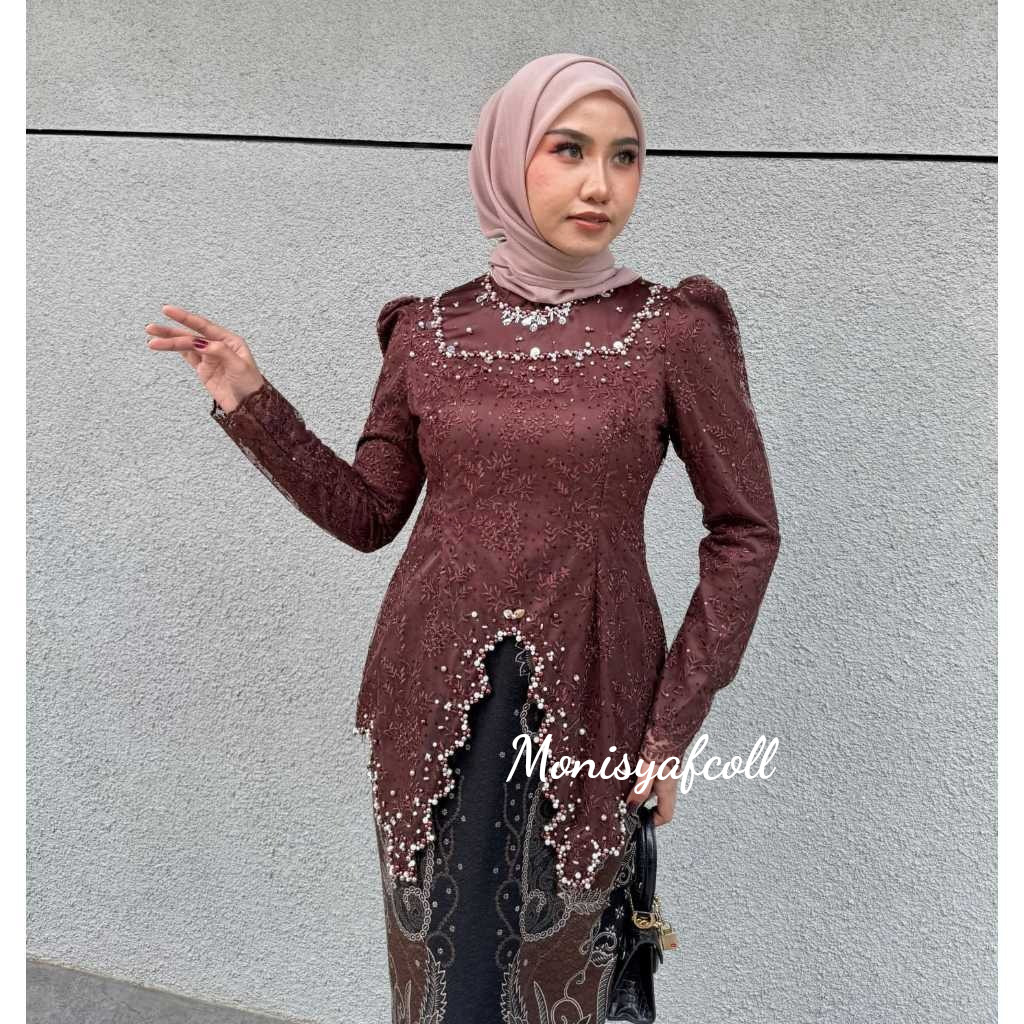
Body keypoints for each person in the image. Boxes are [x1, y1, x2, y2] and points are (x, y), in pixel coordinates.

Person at [145, 52, 781, 1024]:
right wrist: (250, 400)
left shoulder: (671, 332)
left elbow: (744, 530)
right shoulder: (430, 333)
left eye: (624, 156)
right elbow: (369, 513)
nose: (600, 183)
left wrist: (670, 726)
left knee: (574, 974)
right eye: (568, 150)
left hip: (594, 695)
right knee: (445, 980)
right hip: (431, 695)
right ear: (503, 160)